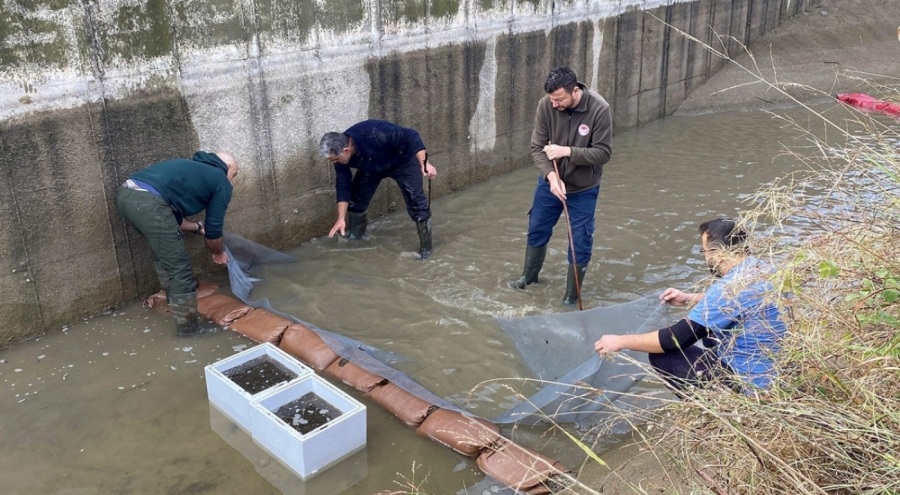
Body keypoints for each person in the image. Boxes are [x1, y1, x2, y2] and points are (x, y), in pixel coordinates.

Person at [593, 218, 787, 391]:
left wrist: (619, 342)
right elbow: (738, 304)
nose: (705, 258)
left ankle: (719, 406)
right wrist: (688, 298)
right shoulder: (763, 268)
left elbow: (674, 339)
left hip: (752, 383)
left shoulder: (726, 289)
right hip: (777, 370)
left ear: (717, 252)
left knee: (663, 356)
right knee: (711, 334)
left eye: (704, 251)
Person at [508, 66, 613, 305]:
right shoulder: (546, 105)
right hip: (550, 184)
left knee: (580, 241)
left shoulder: (599, 109)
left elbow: (603, 153)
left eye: (559, 99)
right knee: (536, 229)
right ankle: (529, 277)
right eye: (552, 99)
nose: (554, 104)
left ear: (574, 91)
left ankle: (570, 296)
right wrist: (551, 178)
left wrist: (567, 152)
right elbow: (537, 147)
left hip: (583, 188)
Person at [116, 151, 238, 337]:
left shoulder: (191, 169)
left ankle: (174, 299)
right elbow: (214, 229)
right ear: (227, 168)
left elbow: (172, 219)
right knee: (180, 269)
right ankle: (189, 330)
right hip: (148, 203)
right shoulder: (220, 181)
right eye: (234, 175)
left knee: (165, 254)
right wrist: (217, 252)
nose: (231, 181)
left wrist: (197, 227)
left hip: (126, 196)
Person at [320, 120, 438, 259]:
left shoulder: (374, 132)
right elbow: (343, 184)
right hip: (372, 167)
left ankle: (426, 250)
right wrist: (341, 218)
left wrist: (425, 164)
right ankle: (356, 240)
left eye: (335, 159)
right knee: (356, 201)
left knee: (417, 203)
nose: (334, 163)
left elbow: (411, 135)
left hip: (403, 161)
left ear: (346, 150)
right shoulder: (341, 156)